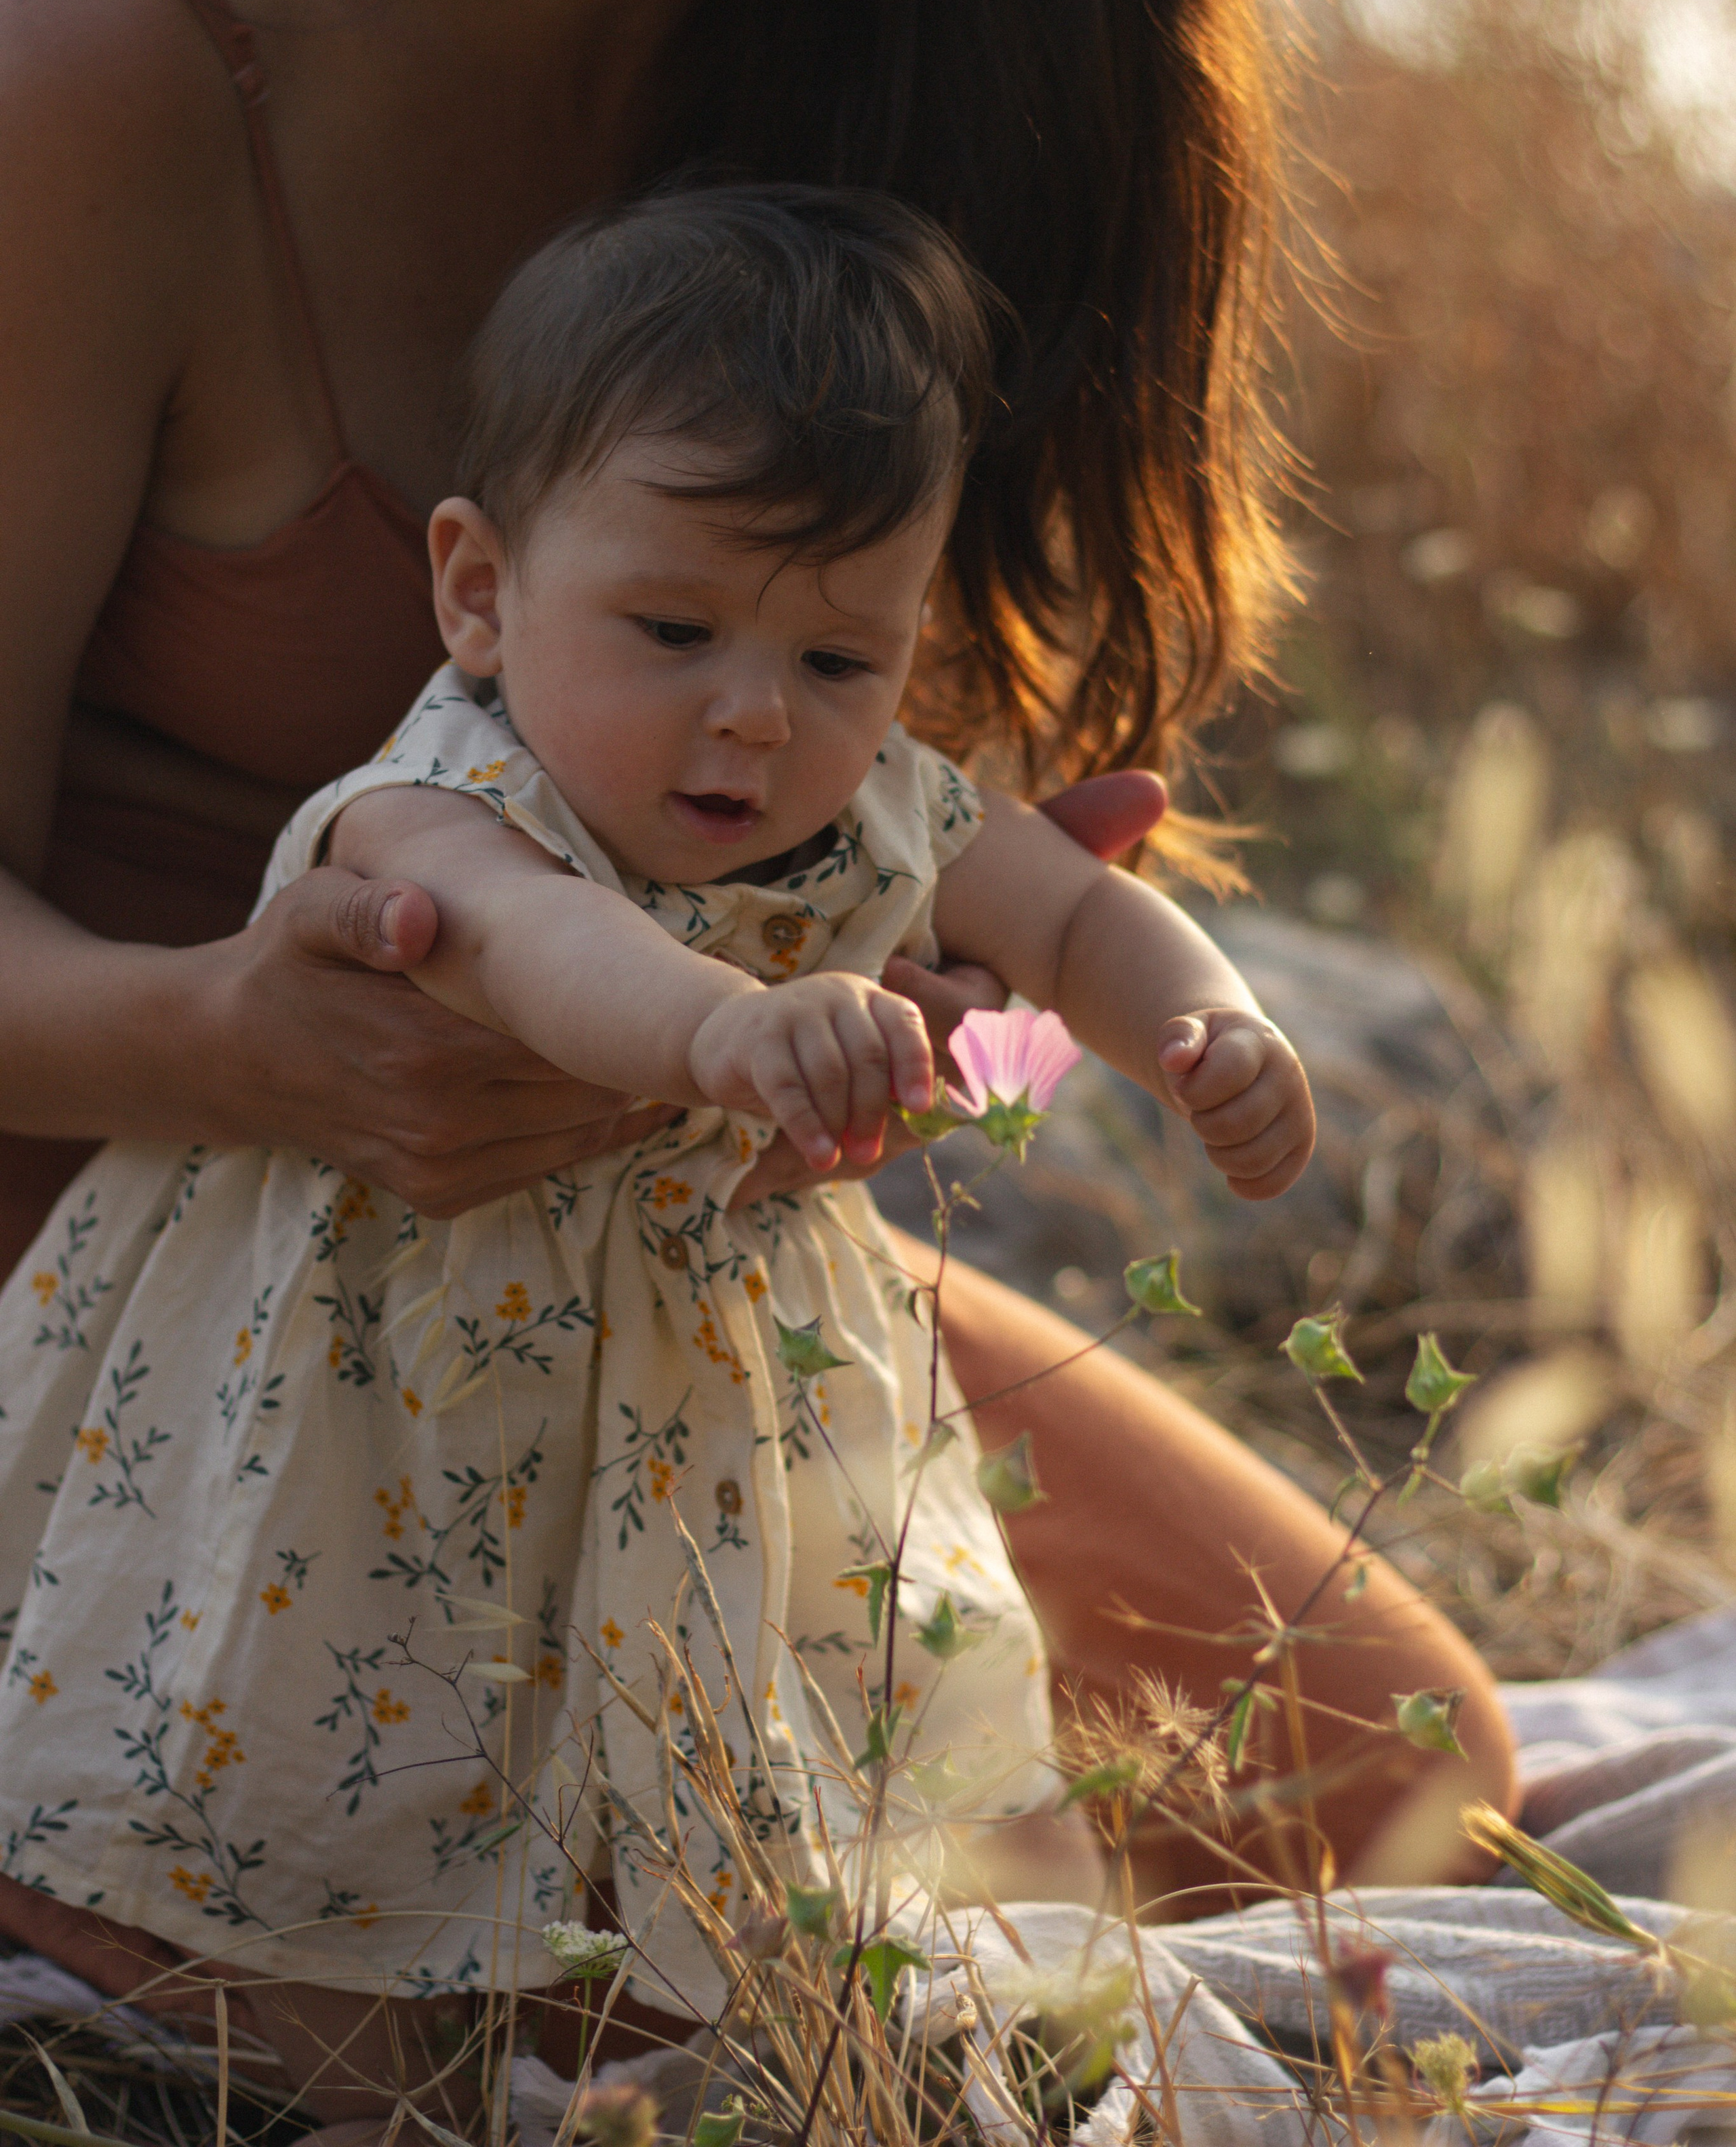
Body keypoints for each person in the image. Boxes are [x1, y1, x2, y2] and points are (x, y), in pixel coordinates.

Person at [0, 0, 1514, 2066]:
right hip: (130, 1283)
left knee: (1389, 1777)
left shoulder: (898, 14)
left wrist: (912, 1005)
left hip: (617, 1263)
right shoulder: (105, 59)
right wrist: (248, 1047)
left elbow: (930, 901)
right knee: (402, 1991)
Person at [0, 182, 1324, 2123]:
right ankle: (209, 1984)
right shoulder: (436, 802)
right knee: (345, 1847)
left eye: (840, 661)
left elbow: (1066, 920)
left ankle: (843, 2024)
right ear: (478, 589)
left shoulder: (875, 801)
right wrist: (725, 1030)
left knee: (799, 1808)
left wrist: (1212, 1021)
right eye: (675, 628)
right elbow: (543, 948)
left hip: (723, 1419)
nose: (753, 716)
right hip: (384, 1438)